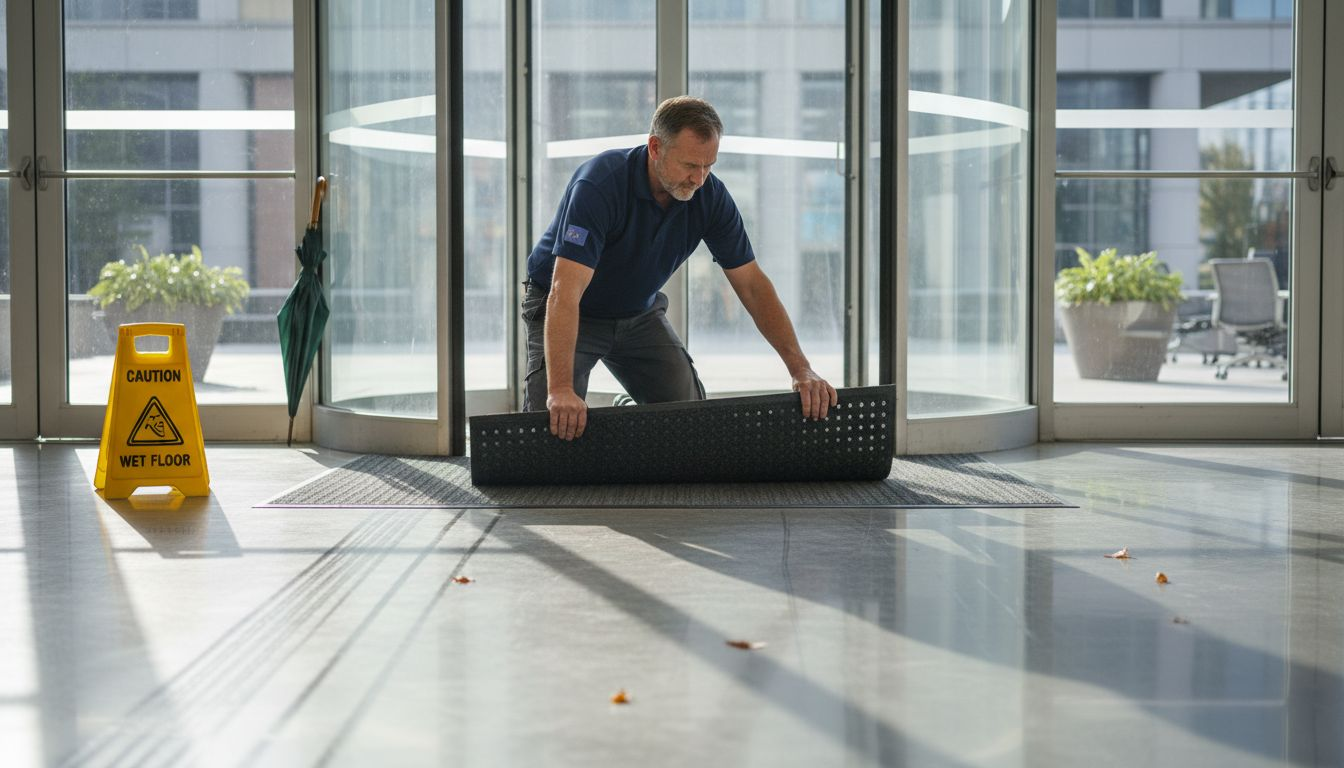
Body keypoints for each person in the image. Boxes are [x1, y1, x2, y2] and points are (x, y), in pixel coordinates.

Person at [523, 96, 837, 440]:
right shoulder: (599, 184)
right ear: (655, 147)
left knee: (692, 426)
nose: (699, 179)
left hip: (637, 313)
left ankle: (631, 407)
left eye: (709, 166)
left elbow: (752, 285)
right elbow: (563, 291)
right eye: (690, 165)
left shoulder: (710, 197)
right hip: (571, 309)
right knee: (548, 428)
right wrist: (562, 390)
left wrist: (800, 368)